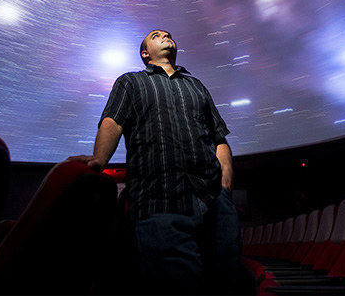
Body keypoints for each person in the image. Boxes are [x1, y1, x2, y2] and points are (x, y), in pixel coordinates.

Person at [68, 29, 241, 294]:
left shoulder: (196, 85)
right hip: (160, 199)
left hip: (215, 204)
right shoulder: (130, 82)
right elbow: (113, 121)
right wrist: (100, 159)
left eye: (168, 34)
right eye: (156, 35)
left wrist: (225, 187)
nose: (165, 35)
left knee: (227, 284)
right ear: (145, 53)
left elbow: (218, 136)